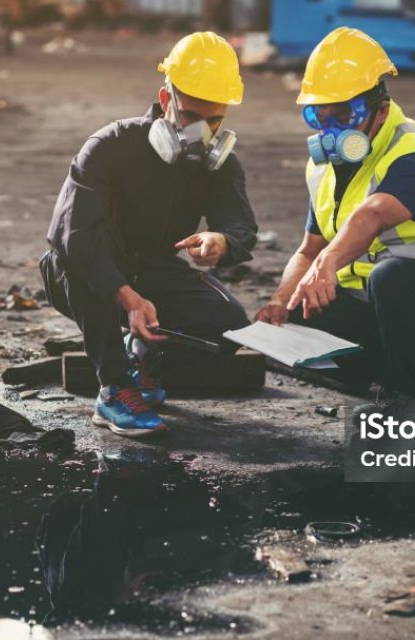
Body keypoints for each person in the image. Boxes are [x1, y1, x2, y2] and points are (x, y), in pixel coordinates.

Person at [254, 27, 415, 402]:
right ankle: (386, 378)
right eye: (319, 117)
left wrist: (326, 266)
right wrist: (280, 301)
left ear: (381, 110)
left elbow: (374, 214)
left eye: (345, 116)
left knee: (393, 277)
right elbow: (309, 249)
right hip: (387, 307)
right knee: (299, 307)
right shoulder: (323, 170)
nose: (333, 131)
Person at [40, 32, 256, 437]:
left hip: (152, 269)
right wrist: (126, 295)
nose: (203, 133)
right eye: (192, 118)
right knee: (82, 265)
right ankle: (114, 389)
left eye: (215, 121)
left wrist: (223, 241)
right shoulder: (109, 145)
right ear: (165, 99)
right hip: (85, 270)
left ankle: (142, 359)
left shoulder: (219, 164)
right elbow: (73, 236)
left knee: (228, 324)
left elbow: (240, 222)